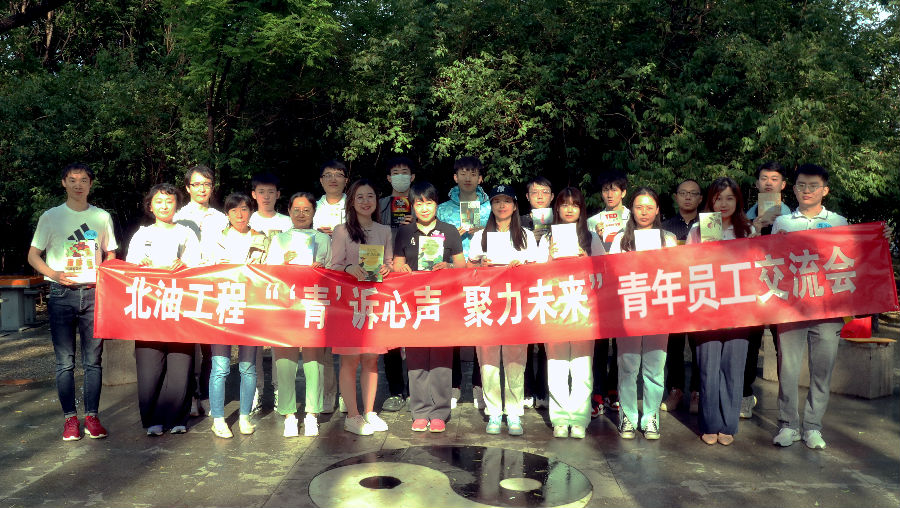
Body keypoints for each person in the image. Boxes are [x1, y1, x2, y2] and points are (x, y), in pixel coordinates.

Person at [28, 163, 118, 441]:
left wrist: (104, 274)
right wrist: (54, 274)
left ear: (91, 184)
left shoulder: (101, 217)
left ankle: (92, 417)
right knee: (64, 362)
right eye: (72, 180)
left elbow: (110, 253)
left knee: (93, 361)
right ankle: (70, 419)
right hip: (60, 294)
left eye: (84, 180)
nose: (78, 185)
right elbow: (33, 255)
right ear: (63, 183)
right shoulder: (50, 217)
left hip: (93, 293)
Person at [770, 163, 847, 450]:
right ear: (794, 188)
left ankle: (813, 427)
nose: (806, 191)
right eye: (801, 185)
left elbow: (853, 257)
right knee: (788, 370)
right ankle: (788, 425)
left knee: (822, 370)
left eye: (813, 186)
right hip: (791, 307)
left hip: (828, 308)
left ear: (825, 190)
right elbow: (772, 260)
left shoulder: (839, 221)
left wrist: (880, 237)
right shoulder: (783, 222)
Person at [126, 183, 201, 436]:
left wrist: (185, 265)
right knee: (150, 370)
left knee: (181, 366)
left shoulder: (186, 234)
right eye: (159, 201)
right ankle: (152, 420)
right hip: (149, 309)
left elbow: (197, 267)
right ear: (150, 206)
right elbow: (128, 270)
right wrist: (140, 264)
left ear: (177, 205)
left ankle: (178, 417)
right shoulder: (141, 235)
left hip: (179, 308)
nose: (164, 206)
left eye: (169, 201)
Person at [686, 177, 757, 445]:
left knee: (733, 367)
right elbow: (686, 266)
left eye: (729, 198)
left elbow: (756, 265)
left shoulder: (747, 230)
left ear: (738, 201)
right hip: (707, 307)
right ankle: (710, 423)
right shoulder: (698, 230)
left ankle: (728, 425)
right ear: (710, 201)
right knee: (708, 367)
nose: (724, 204)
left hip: (739, 309)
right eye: (718, 198)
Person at [392, 181, 465, 432]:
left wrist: (449, 267)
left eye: (429, 202)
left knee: (442, 360)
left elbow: (462, 266)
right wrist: (401, 269)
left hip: (443, 304)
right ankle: (420, 411)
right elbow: (396, 265)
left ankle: (440, 412)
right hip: (414, 304)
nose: (424, 208)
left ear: (437, 205)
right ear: (412, 206)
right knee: (416, 359)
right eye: (419, 203)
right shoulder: (404, 232)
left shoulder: (450, 231)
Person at [468, 184, 538, 436]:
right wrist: (481, 264)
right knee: (487, 360)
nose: (501, 205)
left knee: (515, 359)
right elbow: (469, 269)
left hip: (515, 304)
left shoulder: (526, 236)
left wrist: (523, 266)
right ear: (491, 206)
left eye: (506, 201)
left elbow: (537, 271)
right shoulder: (481, 235)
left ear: (515, 205)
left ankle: (514, 412)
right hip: (487, 304)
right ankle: (494, 412)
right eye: (496, 201)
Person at [609, 187, 677, 440]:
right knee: (627, 366)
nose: (644, 212)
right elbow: (610, 273)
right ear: (632, 210)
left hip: (659, 310)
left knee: (655, 368)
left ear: (658, 210)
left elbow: (678, 272)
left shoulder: (668, 239)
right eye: (639, 207)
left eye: (649, 207)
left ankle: (650, 417)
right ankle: (627, 415)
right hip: (629, 309)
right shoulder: (621, 240)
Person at [327, 179, 393, 435]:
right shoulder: (342, 230)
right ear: (352, 202)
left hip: (374, 301)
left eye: (370, 196)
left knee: (371, 360)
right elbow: (333, 266)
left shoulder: (384, 230)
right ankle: (352, 415)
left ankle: (369, 411)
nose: (366, 202)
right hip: (349, 303)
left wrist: (387, 268)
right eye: (360, 197)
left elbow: (389, 263)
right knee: (349, 360)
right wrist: (348, 267)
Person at [266, 192, 332, 437]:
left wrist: (321, 269)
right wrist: (282, 264)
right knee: (285, 363)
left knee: (314, 362)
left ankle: (312, 414)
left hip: (314, 304)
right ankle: (289, 415)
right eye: (296, 209)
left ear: (314, 212)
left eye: (306, 210)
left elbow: (333, 272)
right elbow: (268, 275)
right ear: (289, 211)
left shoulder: (323, 239)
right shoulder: (279, 239)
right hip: (287, 306)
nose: (301, 214)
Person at [206, 193, 269, 438]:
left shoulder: (262, 239)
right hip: (221, 306)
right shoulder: (216, 239)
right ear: (227, 214)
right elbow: (203, 268)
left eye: (244, 209)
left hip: (251, 307)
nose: (240, 214)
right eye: (234, 210)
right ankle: (218, 418)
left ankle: (244, 416)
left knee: (248, 367)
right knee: (220, 367)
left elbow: (271, 270)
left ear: (251, 211)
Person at [540, 187, 601, 439]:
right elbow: (535, 276)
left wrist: (587, 260)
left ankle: (578, 419)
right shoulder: (547, 239)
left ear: (581, 209)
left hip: (583, 309)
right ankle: (559, 418)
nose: (569, 209)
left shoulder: (591, 238)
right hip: (554, 309)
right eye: (564, 204)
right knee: (556, 366)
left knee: (582, 366)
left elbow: (604, 273)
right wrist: (549, 258)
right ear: (557, 208)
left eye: (575, 205)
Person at [173, 164, 228, 418]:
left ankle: (205, 394)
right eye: (196, 184)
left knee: (210, 345)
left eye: (206, 184)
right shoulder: (177, 216)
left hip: (214, 286)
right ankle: (191, 396)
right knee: (188, 345)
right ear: (187, 188)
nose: (202, 189)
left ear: (212, 187)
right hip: (186, 287)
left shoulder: (221, 218)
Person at [436, 156, 491, 410]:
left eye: (473, 173)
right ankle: (454, 385)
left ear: (480, 178)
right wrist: (451, 236)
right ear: (455, 177)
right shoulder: (443, 209)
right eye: (463, 173)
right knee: (455, 330)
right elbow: (433, 242)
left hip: (483, 274)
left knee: (482, 328)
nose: (468, 177)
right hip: (452, 273)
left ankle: (480, 385)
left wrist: (482, 233)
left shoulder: (491, 207)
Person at [741, 161, 791, 418]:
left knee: (785, 348)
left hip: (784, 293)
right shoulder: (743, 218)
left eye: (774, 178)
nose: (769, 183)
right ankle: (745, 396)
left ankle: (787, 404)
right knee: (749, 345)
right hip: (753, 290)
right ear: (757, 183)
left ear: (783, 185)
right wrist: (755, 227)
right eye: (764, 178)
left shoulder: (795, 220)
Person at [248, 172, 291, 413]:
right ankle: (254, 391)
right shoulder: (246, 219)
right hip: (252, 290)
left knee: (278, 343)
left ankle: (278, 390)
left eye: (271, 192)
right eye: (261, 192)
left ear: (278, 194)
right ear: (254, 195)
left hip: (279, 289)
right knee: (252, 344)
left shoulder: (287, 222)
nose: (266, 196)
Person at [660, 179, 703, 414]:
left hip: (700, 290)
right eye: (683, 193)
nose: (687, 197)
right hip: (674, 291)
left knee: (699, 344)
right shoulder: (664, 227)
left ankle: (697, 391)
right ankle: (675, 389)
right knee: (673, 344)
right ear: (676, 197)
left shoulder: (709, 225)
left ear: (700, 198)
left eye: (693, 193)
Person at [378, 156, 417, 413]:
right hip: (385, 274)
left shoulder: (420, 202)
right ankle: (394, 390)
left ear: (412, 177)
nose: (400, 176)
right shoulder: (380, 204)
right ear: (389, 178)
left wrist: (414, 224)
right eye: (395, 172)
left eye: (405, 172)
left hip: (412, 273)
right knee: (389, 332)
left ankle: (415, 390)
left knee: (414, 331)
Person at [591, 170, 631, 417]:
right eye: (606, 189)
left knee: (621, 342)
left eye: (614, 189)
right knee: (598, 341)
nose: (609, 194)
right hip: (598, 286)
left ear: (623, 192)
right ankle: (597, 392)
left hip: (625, 284)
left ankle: (615, 390)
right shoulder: (591, 222)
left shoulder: (633, 219)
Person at [310, 160, 347, 413]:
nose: (333, 179)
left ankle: (346, 394)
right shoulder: (313, 207)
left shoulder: (354, 203)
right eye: (328, 175)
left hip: (347, 276)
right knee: (323, 339)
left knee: (346, 338)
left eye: (338, 175)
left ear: (346, 180)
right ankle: (328, 393)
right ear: (321, 180)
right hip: (321, 277)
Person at [520, 176, 552, 410]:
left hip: (550, 288)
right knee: (525, 342)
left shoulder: (560, 222)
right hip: (524, 288)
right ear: (527, 197)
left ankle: (544, 390)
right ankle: (526, 390)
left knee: (547, 342)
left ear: (552, 196)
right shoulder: (518, 222)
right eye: (534, 192)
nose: (539, 196)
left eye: (544, 192)